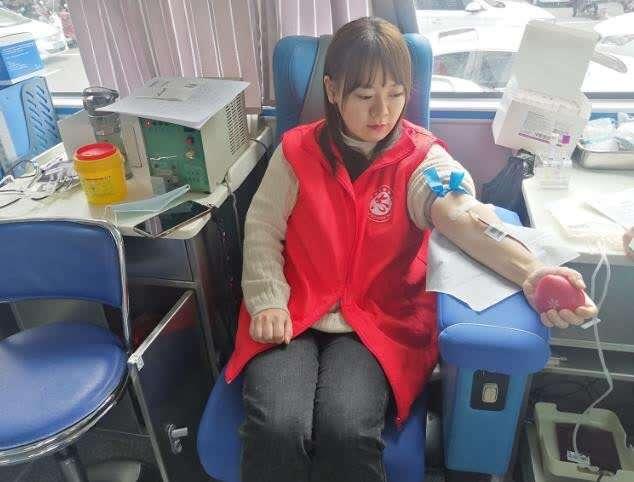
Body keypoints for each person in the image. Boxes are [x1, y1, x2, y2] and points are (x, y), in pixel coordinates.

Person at [224, 17, 599, 482]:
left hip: (375, 321)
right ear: (333, 90)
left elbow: (463, 217)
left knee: (346, 431)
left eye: (396, 93)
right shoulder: (296, 151)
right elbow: (263, 228)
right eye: (365, 95)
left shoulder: (423, 158)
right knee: (278, 428)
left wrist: (533, 272)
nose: (382, 111)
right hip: (292, 311)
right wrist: (267, 300)